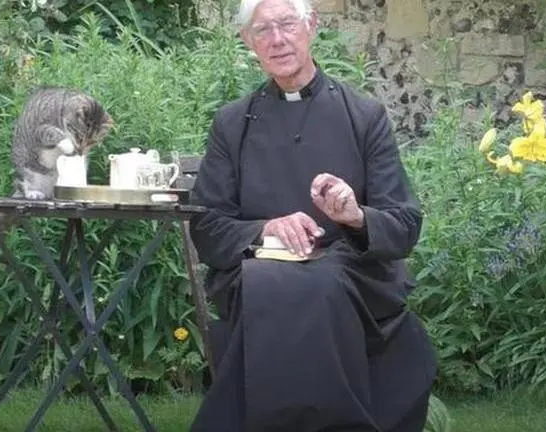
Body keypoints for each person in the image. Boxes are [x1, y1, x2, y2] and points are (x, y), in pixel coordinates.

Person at [187, 0, 437, 430]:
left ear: (311, 26)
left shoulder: (364, 116)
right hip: (258, 265)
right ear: (248, 41)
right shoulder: (232, 124)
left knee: (320, 284)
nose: (278, 39)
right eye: (263, 30)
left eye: (287, 24)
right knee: (272, 282)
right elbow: (207, 225)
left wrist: (356, 216)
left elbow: (404, 224)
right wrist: (266, 228)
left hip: (352, 273)